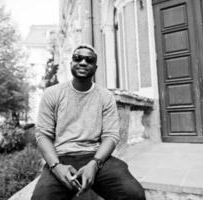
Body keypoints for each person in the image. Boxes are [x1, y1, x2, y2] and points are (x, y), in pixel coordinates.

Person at [31, 44, 146, 200]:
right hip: (61, 157)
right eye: (78, 58)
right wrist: (56, 166)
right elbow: (43, 135)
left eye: (89, 60)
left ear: (95, 66)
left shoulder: (105, 96)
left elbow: (111, 136)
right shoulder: (52, 94)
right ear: (71, 63)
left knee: (133, 193)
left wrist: (94, 164)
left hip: (96, 157)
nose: (83, 62)